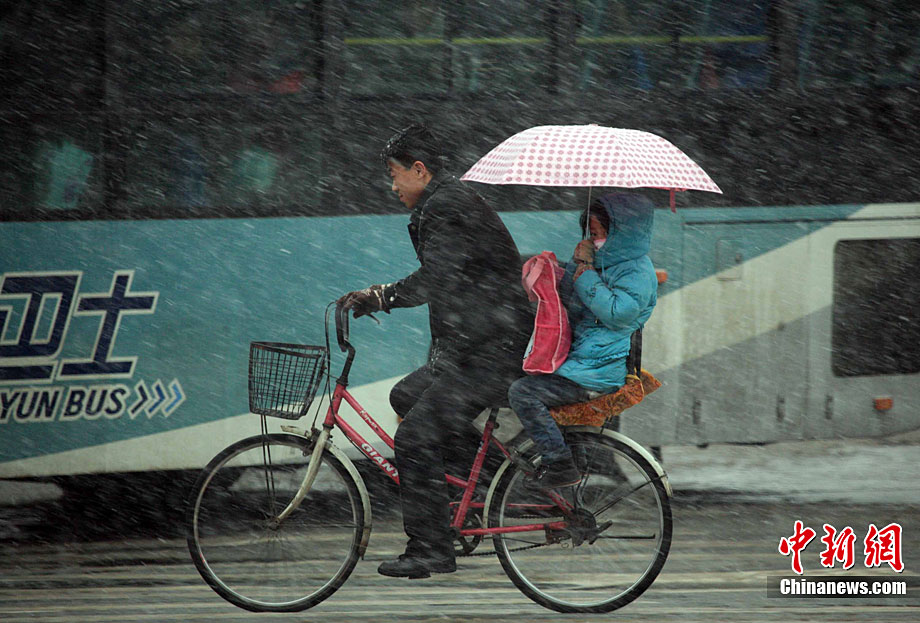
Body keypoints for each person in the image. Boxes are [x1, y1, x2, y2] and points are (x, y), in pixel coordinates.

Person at [338, 123, 532, 579]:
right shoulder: (446, 201)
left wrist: (382, 296)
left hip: (492, 351)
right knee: (405, 396)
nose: (392, 186)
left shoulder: (446, 205)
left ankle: (431, 549)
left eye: (394, 174)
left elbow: (439, 277)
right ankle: (491, 484)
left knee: (414, 438)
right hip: (479, 346)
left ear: (419, 170)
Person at [507, 192, 658, 489]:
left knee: (523, 394)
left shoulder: (637, 272)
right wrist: (555, 273)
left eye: (598, 234)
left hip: (596, 374)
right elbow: (578, 304)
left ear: (622, 234)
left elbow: (616, 313)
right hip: (582, 365)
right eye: (590, 233)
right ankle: (563, 462)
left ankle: (559, 462)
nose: (593, 240)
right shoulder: (607, 265)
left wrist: (584, 271)